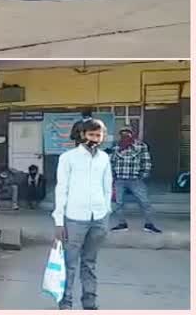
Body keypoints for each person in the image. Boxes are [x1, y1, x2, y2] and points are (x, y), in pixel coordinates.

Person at [53, 118, 113, 310]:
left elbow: (107, 187)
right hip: (74, 219)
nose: (95, 139)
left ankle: (89, 302)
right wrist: (59, 221)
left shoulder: (104, 158)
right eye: (91, 134)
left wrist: (106, 213)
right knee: (69, 264)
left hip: (98, 218)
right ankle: (66, 302)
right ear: (82, 135)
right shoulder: (68, 158)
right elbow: (61, 189)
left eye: (99, 135)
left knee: (90, 263)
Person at [109, 127, 162, 234]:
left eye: (127, 133)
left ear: (132, 134)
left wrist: (143, 175)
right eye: (123, 133)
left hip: (136, 180)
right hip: (119, 180)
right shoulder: (116, 147)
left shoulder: (141, 146)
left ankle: (149, 224)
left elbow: (146, 161)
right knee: (118, 203)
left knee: (145, 202)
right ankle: (122, 224)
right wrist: (112, 176)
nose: (125, 135)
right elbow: (111, 162)